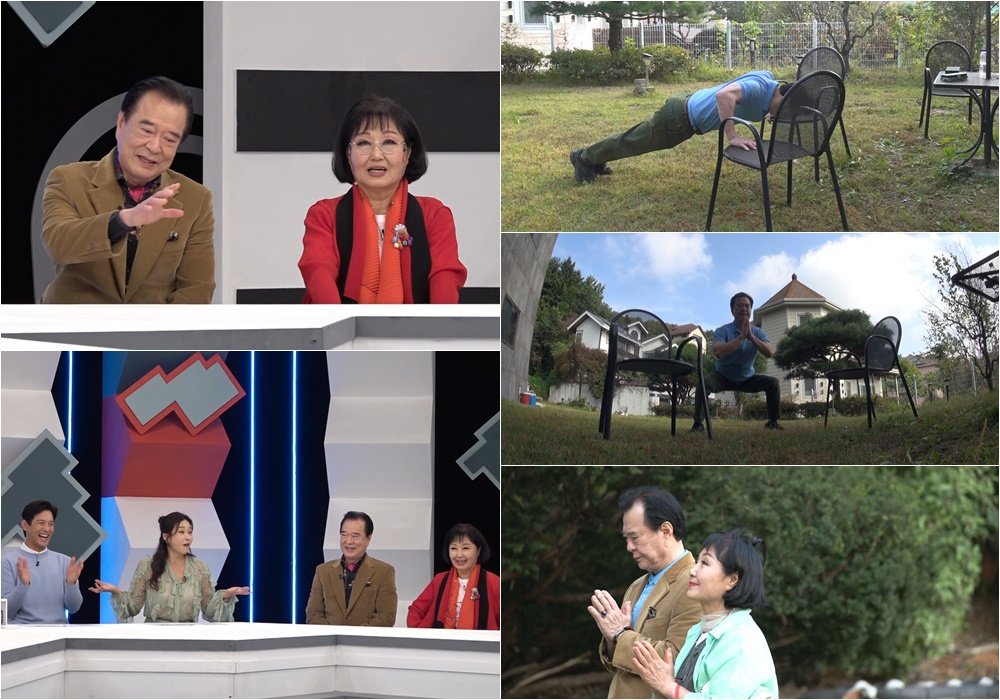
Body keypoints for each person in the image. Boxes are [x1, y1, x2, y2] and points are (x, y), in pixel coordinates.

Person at [40, 76, 215, 303]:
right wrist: (122, 221)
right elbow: (59, 243)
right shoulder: (69, 179)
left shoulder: (196, 199)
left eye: (170, 140)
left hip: (151, 334)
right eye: (146, 131)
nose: (154, 147)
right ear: (121, 123)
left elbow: (196, 290)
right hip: (72, 328)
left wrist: (162, 336)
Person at [298, 95, 468, 303]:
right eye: (363, 143)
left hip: (417, 332)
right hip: (341, 330)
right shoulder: (324, 214)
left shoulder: (434, 214)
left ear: (406, 153)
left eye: (389, 142)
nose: (376, 155)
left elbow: (445, 277)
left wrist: (435, 331)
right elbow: (318, 273)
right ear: (348, 154)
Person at [569, 70, 790, 184]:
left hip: (685, 108)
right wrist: (731, 136)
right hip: (679, 120)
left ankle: (594, 158)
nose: (786, 112)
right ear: (780, 95)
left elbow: (752, 99)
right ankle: (584, 158)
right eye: (786, 107)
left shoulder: (768, 80)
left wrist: (770, 112)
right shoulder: (758, 89)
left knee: (634, 139)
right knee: (634, 142)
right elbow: (725, 95)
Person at [631, 529, 778, 699]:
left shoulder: (741, 640)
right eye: (697, 562)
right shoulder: (698, 632)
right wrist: (665, 684)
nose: (693, 571)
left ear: (732, 580)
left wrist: (670, 687)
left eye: (705, 563)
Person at [587, 487, 701, 699]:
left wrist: (621, 634)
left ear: (666, 531)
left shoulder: (693, 583)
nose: (629, 547)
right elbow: (617, 663)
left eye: (635, 537)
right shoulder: (636, 586)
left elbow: (676, 659)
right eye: (626, 539)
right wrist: (612, 639)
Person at [89, 512, 248, 622]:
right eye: (181, 532)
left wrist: (226, 595)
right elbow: (132, 607)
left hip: (189, 639)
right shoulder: (148, 566)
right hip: (157, 638)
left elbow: (210, 610)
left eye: (190, 532)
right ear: (166, 537)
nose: (188, 537)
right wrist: (115, 591)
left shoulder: (200, 568)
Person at [692, 292, 783, 432]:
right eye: (739, 305)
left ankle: (773, 422)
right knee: (703, 384)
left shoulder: (758, 332)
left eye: (747, 306)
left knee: (773, 383)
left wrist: (751, 337)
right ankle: (698, 424)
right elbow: (718, 352)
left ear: (751, 310)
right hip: (722, 377)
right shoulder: (723, 331)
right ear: (732, 310)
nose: (744, 308)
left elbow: (769, 353)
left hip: (748, 378)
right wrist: (741, 338)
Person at [305, 511, 397, 626]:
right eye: (344, 534)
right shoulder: (322, 571)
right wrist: (334, 636)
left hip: (365, 642)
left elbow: (386, 617)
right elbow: (313, 614)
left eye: (355, 536)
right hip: (329, 641)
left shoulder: (384, 572)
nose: (348, 541)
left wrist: (354, 637)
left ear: (368, 538)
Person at [1, 500, 84, 624]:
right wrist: (23, 585)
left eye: (51, 524)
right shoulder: (8, 562)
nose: (47, 529)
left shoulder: (65, 562)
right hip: (22, 636)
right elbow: (6, 613)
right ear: (25, 525)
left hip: (59, 636)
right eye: (41, 523)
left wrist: (71, 584)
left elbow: (73, 608)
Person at [406, 523, 499, 630]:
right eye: (454, 548)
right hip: (444, 644)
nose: (459, 554)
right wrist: (421, 636)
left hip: (479, 645)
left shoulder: (493, 582)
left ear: (478, 550)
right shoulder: (440, 580)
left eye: (465, 548)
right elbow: (416, 610)